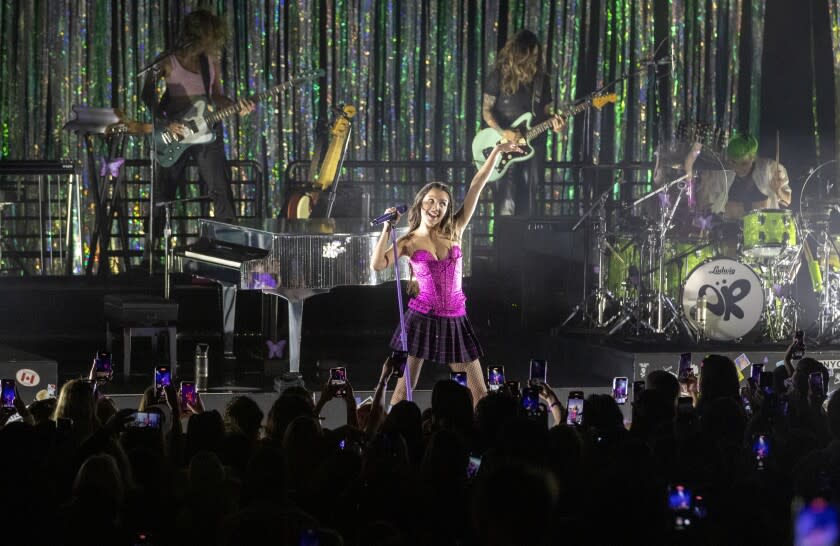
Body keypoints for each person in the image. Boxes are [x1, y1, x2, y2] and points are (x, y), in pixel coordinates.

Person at [370, 141, 521, 407]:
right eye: (431, 201)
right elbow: (378, 265)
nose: (436, 207)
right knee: (405, 389)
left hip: (455, 319)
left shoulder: (455, 230)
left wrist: (497, 152)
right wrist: (387, 229)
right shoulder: (407, 241)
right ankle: (390, 433)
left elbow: (476, 185)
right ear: (420, 205)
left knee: (480, 393)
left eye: (442, 203)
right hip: (422, 317)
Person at [141, 9, 254, 247]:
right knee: (164, 191)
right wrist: (163, 123)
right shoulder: (167, 60)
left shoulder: (210, 61)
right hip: (175, 134)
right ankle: (150, 249)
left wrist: (236, 106)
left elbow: (217, 96)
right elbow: (146, 96)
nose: (213, 40)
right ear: (199, 34)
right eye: (210, 34)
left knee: (220, 188)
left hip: (206, 131)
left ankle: (229, 246)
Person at [481, 29, 563, 216]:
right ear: (519, 55)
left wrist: (556, 124)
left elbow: (545, 114)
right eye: (530, 55)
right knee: (506, 200)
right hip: (504, 145)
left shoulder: (542, 81)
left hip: (534, 144)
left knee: (531, 196)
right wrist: (503, 132)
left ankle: (530, 241)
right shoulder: (498, 77)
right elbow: (486, 111)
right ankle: (504, 242)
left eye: (536, 55)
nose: (535, 59)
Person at [697, 133, 792, 219]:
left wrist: (778, 190)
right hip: (728, 232)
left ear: (753, 157)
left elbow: (787, 200)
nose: (738, 168)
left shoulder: (769, 169)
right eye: (734, 162)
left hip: (765, 232)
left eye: (744, 164)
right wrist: (704, 185)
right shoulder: (720, 173)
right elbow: (702, 205)